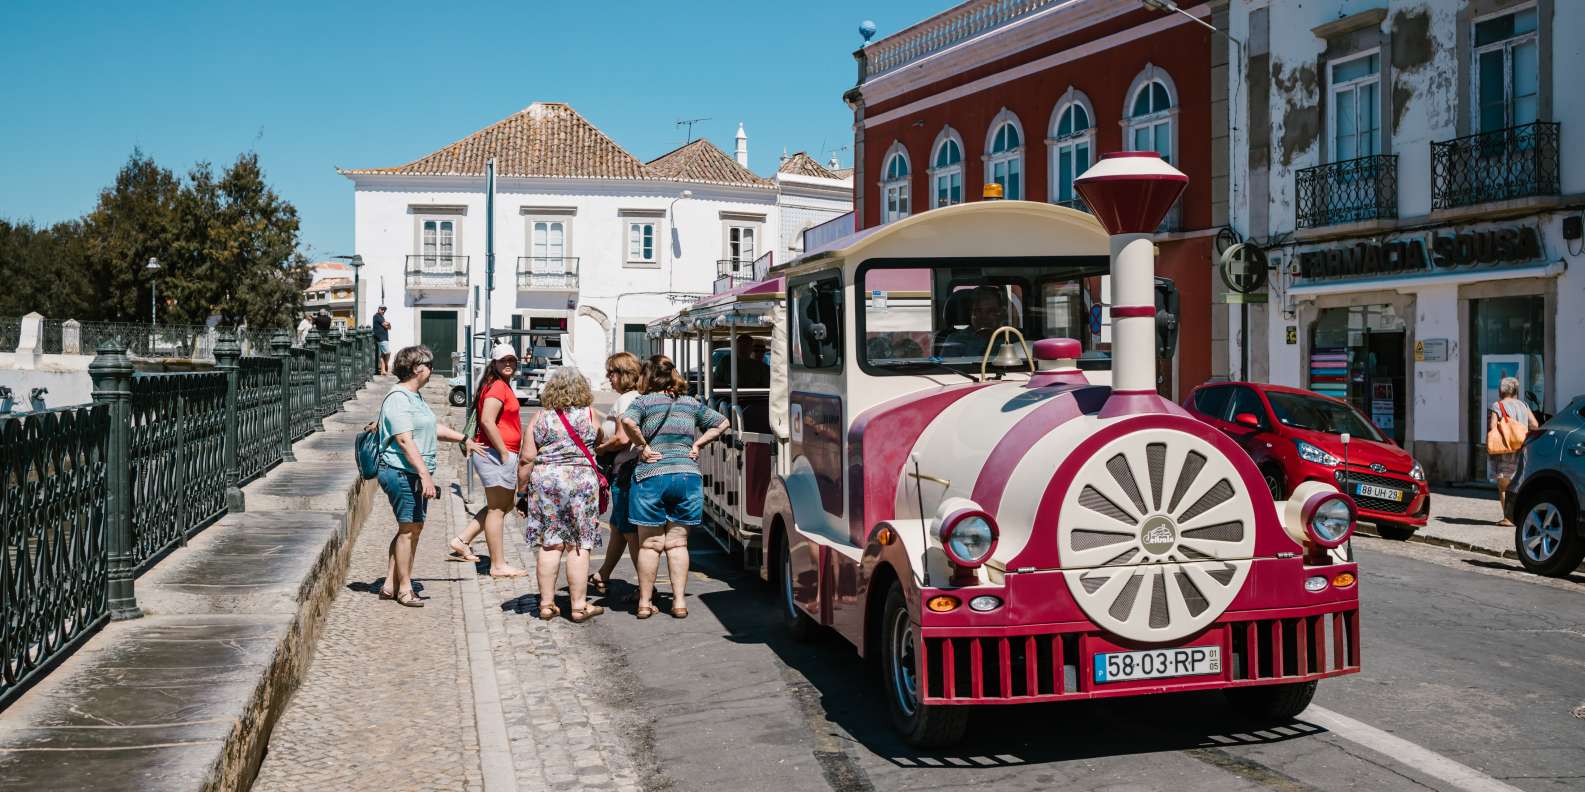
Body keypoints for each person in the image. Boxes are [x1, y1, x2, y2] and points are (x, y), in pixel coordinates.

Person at [620, 355, 730, 619]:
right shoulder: (690, 403)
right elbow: (723, 423)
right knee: (678, 544)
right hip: (686, 476)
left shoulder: (643, 402)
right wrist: (697, 445)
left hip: (652, 475)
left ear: (647, 376)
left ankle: (645, 602)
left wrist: (644, 447)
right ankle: (679, 602)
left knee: (650, 545)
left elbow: (627, 421)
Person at [376, 345, 477, 607]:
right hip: (402, 471)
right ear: (415, 368)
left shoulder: (414, 396)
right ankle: (405, 589)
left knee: (410, 529)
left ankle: (390, 584)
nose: (431, 369)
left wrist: (464, 438)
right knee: (409, 530)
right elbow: (404, 440)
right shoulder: (399, 397)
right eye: (429, 365)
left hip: (413, 472)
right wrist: (426, 477)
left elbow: (432, 428)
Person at [520, 367, 606, 623]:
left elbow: (526, 458)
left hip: (547, 482)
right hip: (581, 482)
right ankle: (579, 606)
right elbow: (598, 443)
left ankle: (546, 604)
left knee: (551, 542)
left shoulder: (540, 417)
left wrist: (521, 491)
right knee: (578, 544)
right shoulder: (591, 415)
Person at [447, 342, 529, 577]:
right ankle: (498, 564)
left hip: (496, 453)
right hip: (496, 454)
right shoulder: (497, 388)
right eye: (504, 360)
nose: (508, 364)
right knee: (497, 509)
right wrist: (503, 451)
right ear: (494, 363)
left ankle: (462, 540)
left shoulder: (498, 385)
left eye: (512, 360)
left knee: (504, 504)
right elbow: (487, 420)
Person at [590, 352, 644, 595]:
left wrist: (601, 447)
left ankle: (645, 585)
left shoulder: (625, 401)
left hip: (624, 470)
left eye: (612, 373)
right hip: (629, 469)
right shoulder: (636, 397)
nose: (608, 378)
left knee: (630, 531)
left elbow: (623, 438)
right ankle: (604, 573)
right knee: (619, 526)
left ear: (624, 374)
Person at [1489, 376, 1539, 526]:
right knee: (1519, 484)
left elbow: (1492, 428)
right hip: (1522, 449)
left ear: (1501, 391)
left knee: (1504, 486)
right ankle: (1521, 517)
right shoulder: (1524, 405)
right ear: (1515, 391)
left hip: (1505, 451)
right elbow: (1535, 425)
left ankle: (1508, 518)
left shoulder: (1497, 406)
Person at [940, 286, 1009, 358]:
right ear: (970, 313)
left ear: (1001, 313)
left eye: (991, 311)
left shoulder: (1009, 339)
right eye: (978, 311)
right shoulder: (955, 341)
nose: (983, 317)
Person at [372, 305, 392, 375]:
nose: (383, 311)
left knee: (383, 355)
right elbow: (385, 324)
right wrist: (387, 324)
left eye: (384, 310)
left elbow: (389, 327)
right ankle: (386, 365)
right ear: (378, 309)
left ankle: (383, 371)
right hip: (381, 338)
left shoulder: (382, 317)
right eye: (382, 309)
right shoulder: (377, 316)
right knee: (388, 352)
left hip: (384, 337)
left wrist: (388, 324)